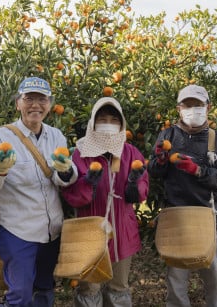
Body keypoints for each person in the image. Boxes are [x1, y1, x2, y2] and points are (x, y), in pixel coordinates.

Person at [0, 77, 78, 307]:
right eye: (29, 98)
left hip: (51, 229)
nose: (35, 105)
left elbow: (63, 178)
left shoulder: (56, 136)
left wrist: (65, 170)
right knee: (20, 295)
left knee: (44, 289)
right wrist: (0, 171)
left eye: (41, 99)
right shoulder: (1, 137)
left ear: (50, 104)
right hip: (17, 229)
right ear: (18, 103)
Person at [147, 85, 217, 307]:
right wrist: (161, 161)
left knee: (215, 280)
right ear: (179, 108)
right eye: (187, 105)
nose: (192, 109)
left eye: (197, 105)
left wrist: (198, 170)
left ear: (208, 107)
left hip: (210, 219)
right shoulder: (167, 135)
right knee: (176, 281)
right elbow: (154, 172)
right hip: (177, 218)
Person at [61, 97, 150, 307]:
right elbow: (71, 194)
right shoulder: (82, 154)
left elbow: (142, 191)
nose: (108, 124)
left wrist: (133, 187)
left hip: (122, 233)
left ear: (121, 124)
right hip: (89, 233)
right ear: (93, 122)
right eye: (102, 119)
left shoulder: (130, 153)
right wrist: (87, 185)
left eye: (113, 119)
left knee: (119, 287)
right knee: (89, 289)